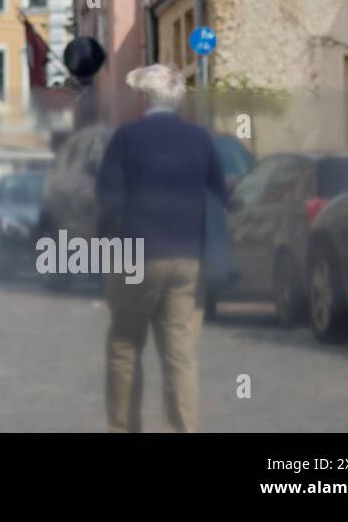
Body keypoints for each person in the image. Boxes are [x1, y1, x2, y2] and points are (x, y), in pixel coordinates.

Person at [94, 63, 229, 433]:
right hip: (188, 258)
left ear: (142, 98)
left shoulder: (126, 138)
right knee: (180, 356)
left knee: (125, 345)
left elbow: (109, 201)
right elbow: (221, 192)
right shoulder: (199, 139)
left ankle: (123, 427)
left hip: (136, 257)